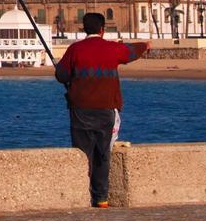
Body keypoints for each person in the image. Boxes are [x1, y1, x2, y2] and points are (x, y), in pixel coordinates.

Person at [54, 12, 149, 207]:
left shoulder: (75, 49)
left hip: (80, 110)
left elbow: (61, 75)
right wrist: (145, 46)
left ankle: (82, 196)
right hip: (106, 108)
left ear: (84, 29)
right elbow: (130, 51)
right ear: (102, 30)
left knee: (83, 153)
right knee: (102, 153)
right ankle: (101, 198)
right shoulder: (111, 49)